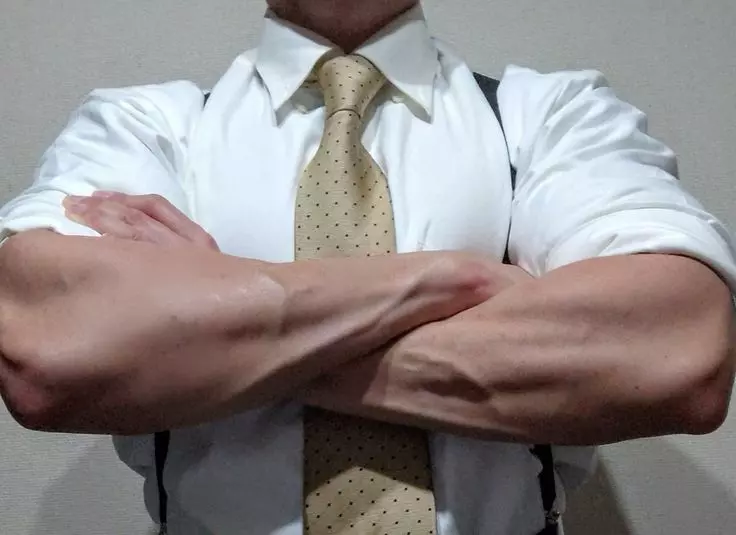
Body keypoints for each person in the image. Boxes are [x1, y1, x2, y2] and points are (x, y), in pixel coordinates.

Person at [1, 0, 735, 534]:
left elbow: (680, 350)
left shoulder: (555, 115)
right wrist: (460, 280)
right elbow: (46, 351)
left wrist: (214, 315)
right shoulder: (140, 127)